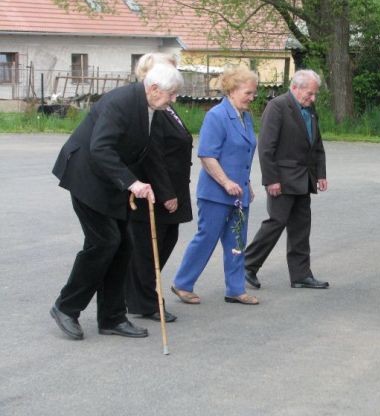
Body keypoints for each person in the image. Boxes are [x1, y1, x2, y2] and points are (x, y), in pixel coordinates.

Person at [49, 63, 184, 340]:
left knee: (124, 246)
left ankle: (112, 317)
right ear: (154, 88)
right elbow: (101, 147)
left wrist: (160, 188)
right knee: (105, 242)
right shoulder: (121, 102)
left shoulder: (151, 108)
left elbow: (151, 153)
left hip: (111, 183)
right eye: (171, 94)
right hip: (87, 177)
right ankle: (66, 307)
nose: (173, 100)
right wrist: (132, 182)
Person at [171, 66, 259, 305]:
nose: (252, 97)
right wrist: (226, 182)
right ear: (232, 90)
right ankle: (182, 283)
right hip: (215, 194)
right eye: (248, 93)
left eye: (254, 93)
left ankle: (235, 289)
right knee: (206, 238)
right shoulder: (216, 116)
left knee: (237, 242)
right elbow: (207, 156)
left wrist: (246, 182)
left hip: (239, 193)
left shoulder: (246, 117)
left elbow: (242, 153)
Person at [243, 69, 329, 290]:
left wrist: (320, 173)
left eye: (314, 94)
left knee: (301, 226)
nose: (313, 98)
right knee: (276, 222)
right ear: (295, 87)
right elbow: (266, 147)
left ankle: (301, 275)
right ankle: (247, 265)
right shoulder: (278, 106)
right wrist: (271, 179)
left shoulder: (309, 109)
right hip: (282, 178)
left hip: (304, 178)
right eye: (310, 94)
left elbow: (316, 142)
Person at [125, 53, 193, 323]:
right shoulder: (148, 109)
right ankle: (145, 301)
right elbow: (154, 155)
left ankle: (139, 295)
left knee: (166, 241)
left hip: (174, 185)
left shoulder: (166, 104)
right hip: (156, 190)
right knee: (147, 248)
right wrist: (166, 194)